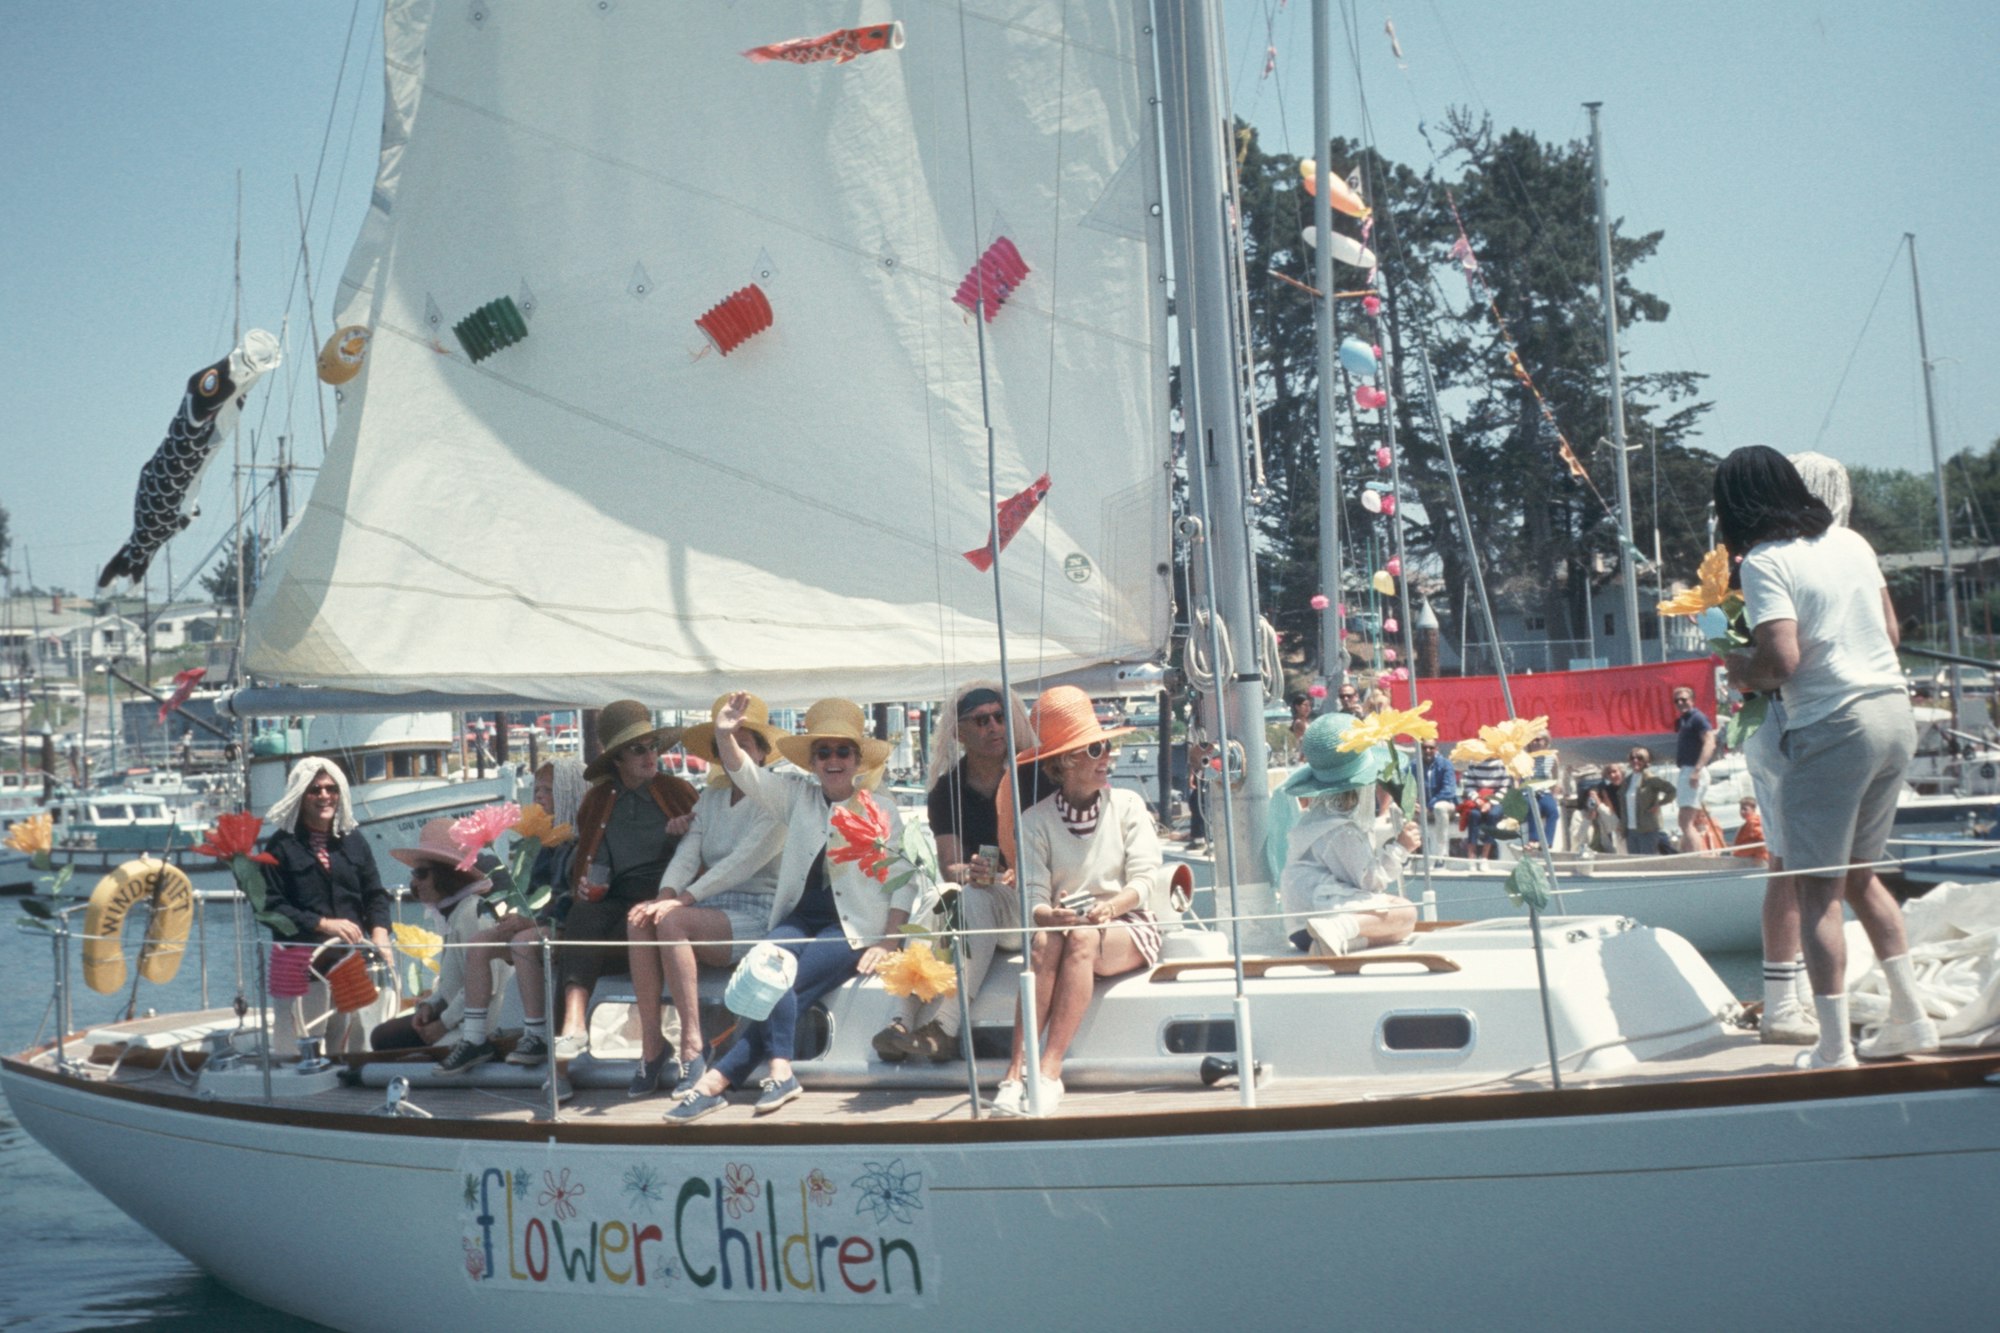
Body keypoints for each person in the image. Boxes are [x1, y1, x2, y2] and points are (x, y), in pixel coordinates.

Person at [1716, 444, 1933, 1067]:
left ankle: (1833, 1048)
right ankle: (1912, 1020)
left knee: (1817, 893)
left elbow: (1781, 660)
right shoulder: (1852, 544)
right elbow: (1891, 634)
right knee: (1864, 880)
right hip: (1894, 713)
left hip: (1833, 725)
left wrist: (1739, 670)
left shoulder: (1763, 561)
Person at [666, 696, 916, 1122]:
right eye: (824, 752)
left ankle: (719, 1080)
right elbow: (746, 774)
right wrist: (726, 734)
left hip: (852, 929)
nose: (833, 760)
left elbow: (905, 882)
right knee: (766, 966)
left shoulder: (881, 809)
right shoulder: (796, 797)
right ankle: (775, 1072)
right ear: (812, 762)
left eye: (842, 751)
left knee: (781, 985)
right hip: (800, 920)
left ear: (857, 761)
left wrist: (889, 942)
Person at [992, 686, 1163, 1118]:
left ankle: (1049, 1071)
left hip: (1129, 922)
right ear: (1065, 761)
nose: (1107, 756)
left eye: (1106, 746)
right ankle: (1016, 1073)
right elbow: (1033, 897)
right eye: (1095, 748)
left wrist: (1112, 907)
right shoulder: (1035, 822)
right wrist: (1051, 913)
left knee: (1080, 936)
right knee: (1045, 941)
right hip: (1066, 925)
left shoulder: (1127, 806)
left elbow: (1145, 880)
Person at [622, 694, 787, 1097]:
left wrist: (682, 901)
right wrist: (664, 895)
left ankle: (693, 1047)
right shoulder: (710, 799)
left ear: (763, 754)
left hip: (758, 910)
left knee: (672, 918)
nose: (734, 754)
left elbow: (742, 863)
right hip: (708, 906)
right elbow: (686, 855)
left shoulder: (777, 798)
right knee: (639, 918)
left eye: (744, 745)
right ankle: (651, 1046)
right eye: (727, 746)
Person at [1743, 449, 1854, 1046]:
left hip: (1821, 725)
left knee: (1819, 867)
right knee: (1792, 865)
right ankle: (1782, 1001)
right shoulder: (1779, 559)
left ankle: (1806, 996)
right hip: (1788, 726)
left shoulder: (1816, 556)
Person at [872, 682, 1038, 1065]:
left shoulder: (1032, 776)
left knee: (965, 898)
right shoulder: (946, 791)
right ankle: (903, 1021)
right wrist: (974, 872)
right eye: (981, 721)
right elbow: (951, 866)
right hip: (978, 900)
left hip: (1026, 905)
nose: (994, 727)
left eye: (1000, 718)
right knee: (941, 894)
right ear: (959, 733)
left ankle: (941, 1027)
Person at [556, 701, 698, 1059]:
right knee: (582, 916)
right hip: (619, 900)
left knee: (591, 927)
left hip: (670, 895)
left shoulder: (677, 791)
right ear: (617, 759)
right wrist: (585, 887)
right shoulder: (597, 800)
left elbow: (704, 854)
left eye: (652, 746)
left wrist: (680, 836)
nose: (649, 755)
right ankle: (573, 1024)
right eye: (638, 749)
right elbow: (591, 862)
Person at [436, 757, 588, 1072]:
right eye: (537, 790)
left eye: (548, 790)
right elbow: (532, 891)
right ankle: (475, 1039)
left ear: (570, 792)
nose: (539, 797)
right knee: (479, 943)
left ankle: (537, 1034)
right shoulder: (544, 843)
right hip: (537, 922)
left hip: (567, 925)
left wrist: (532, 920)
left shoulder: (582, 842)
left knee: (524, 940)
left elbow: (571, 899)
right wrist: (515, 914)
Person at [259, 759, 394, 1052]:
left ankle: (352, 1094)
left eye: (331, 788)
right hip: (300, 965)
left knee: (353, 1047)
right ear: (300, 794)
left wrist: (381, 934)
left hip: (350, 962)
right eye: (315, 789)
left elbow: (375, 895)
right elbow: (270, 908)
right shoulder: (279, 847)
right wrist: (323, 924)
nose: (324, 796)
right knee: (293, 1051)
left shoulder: (354, 841)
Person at [1274, 713, 1421, 956]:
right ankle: (1337, 929)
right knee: (1406, 912)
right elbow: (1370, 882)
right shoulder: (1339, 829)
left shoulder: (1318, 819)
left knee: (1401, 928)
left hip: (1301, 924)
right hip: (1316, 917)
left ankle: (1338, 940)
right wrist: (1400, 847)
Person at [370, 819, 499, 1052]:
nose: (414, 883)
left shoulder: (472, 913)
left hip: (476, 1027)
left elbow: (485, 984)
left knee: (387, 1043)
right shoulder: (456, 912)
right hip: (456, 1017)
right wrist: (430, 1005)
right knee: (382, 1036)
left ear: (445, 875)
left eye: (421, 874)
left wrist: (443, 1023)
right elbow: (456, 981)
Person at [1672, 687, 1717, 853]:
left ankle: (1697, 858)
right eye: (1677, 700)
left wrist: (1697, 770)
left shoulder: (1698, 718)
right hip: (1687, 769)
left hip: (1693, 770)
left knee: (1686, 822)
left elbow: (1710, 742)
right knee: (1684, 821)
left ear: (1692, 700)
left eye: (1684, 699)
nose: (1680, 703)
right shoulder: (1685, 720)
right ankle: (1688, 856)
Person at [1619, 747, 1677, 855]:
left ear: (1647, 761)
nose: (1635, 760)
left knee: (1647, 862)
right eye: (1632, 758)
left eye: (1640, 758)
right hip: (1630, 830)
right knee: (1635, 863)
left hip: (1647, 829)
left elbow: (1672, 791)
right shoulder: (1627, 780)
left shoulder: (1650, 778)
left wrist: (1659, 804)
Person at [1460, 748, 1511, 860]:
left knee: (1492, 815)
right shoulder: (1474, 763)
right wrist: (1478, 801)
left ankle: (1485, 857)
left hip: (1497, 800)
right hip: (1479, 800)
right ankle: (1471, 856)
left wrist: (1490, 803)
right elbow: (1469, 786)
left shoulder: (1502, 763)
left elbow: (1504, 787)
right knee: (1474, 815)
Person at [1413, 738, 1459, 855]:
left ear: (1436, 749)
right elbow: (1403, 784)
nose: (1427, 750)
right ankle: (1409, 852)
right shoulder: (1414, 765)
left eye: (1431, 748)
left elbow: (1449, 791)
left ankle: (1441, 853)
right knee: (1396, 808)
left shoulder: (1445, 764)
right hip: (1423, 808)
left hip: (1445, 805)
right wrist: (1412, 802)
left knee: (1440, 807)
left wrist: (1429, 805)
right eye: (1424, 748)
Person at [1732, 797, 1767, 861]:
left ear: (1753, 809)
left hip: (1759, 860)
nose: (1742, 812)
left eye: (1745, 809)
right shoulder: (1748, 823)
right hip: (1751, 860)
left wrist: (1738, 853)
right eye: (1741, 809)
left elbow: (1761, 842)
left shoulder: (1754, 822)